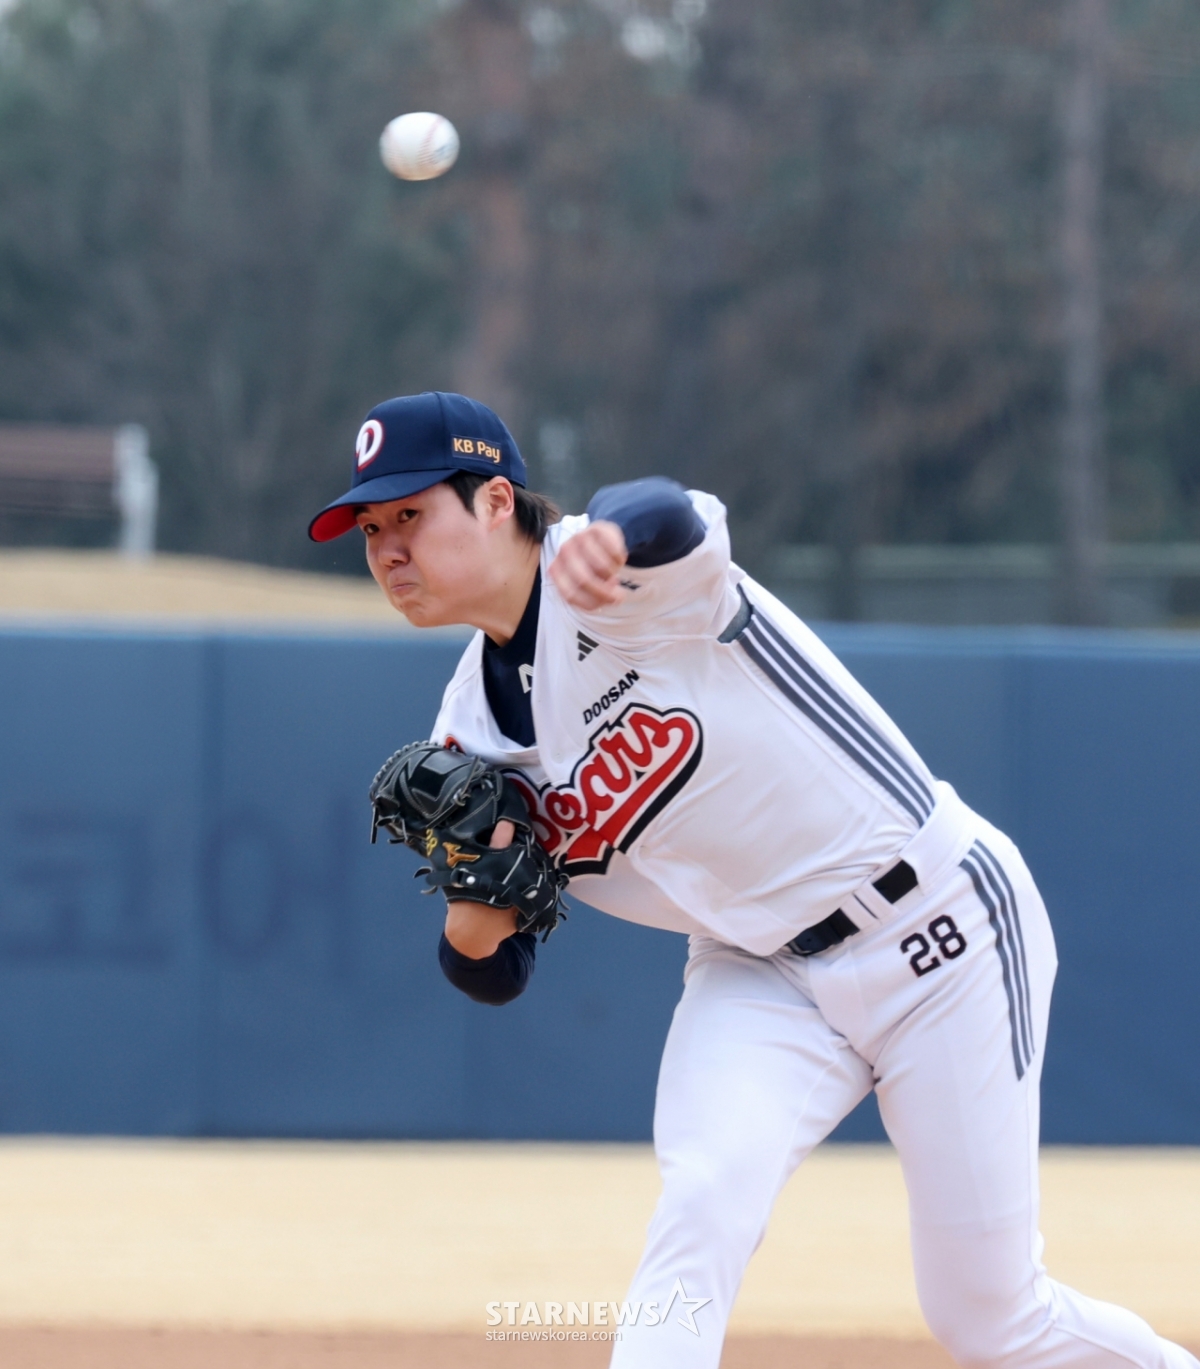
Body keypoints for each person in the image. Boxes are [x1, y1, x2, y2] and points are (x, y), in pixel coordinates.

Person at [310, 390, 1197, 1369]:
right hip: (756, 967)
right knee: (700, 1206)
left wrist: (611, 531)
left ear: (493, 502)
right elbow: (491, 968)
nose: (387, 549)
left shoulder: (616, 576)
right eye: (370, 529)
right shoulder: (467, 733)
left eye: (409, 513)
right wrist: (473, 920)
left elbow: (671, 514)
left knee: (990, 1318)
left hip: (937, 922)